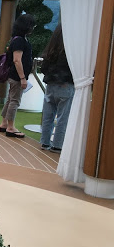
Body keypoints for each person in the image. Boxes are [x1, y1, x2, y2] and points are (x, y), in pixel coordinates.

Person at [0, 13, 36, 138]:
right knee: (15, 101)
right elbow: (17, 60)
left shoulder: (17, 39)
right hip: (17, 76)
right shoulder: (20, 41)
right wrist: (22, 78)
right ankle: (10, 127)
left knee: (10, 99)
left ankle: (4, 123)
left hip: (14, 75)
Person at [39, 24, 74, 153]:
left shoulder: (51, 49)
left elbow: (44, 68)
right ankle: (58, 145)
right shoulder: (71, 50)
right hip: (66, 85)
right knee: (63, 117)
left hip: (50, 85)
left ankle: (45, 142)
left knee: (48, 116)